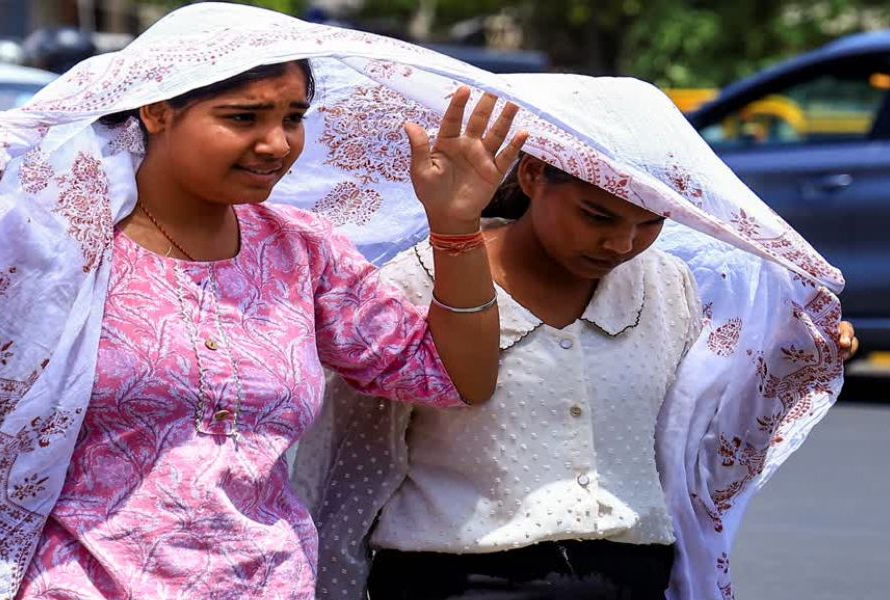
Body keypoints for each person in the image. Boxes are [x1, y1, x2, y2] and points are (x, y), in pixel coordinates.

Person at [0, 12, 526, 600]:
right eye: (243, 117)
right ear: (157, 109)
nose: (277, 143)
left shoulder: (300, 250)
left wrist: (455, 225)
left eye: (293, 117)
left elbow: (450, 376)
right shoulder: (59, 239)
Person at [294, 152, 858, 600]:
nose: (621, 243)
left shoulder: (667, 286)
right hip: (455, 579)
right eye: (597, 216)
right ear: (536, 175)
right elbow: (350, 471)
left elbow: (698, 446)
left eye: (649, 222)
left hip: (633, 575)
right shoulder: (414, 283)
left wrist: (794, 359)